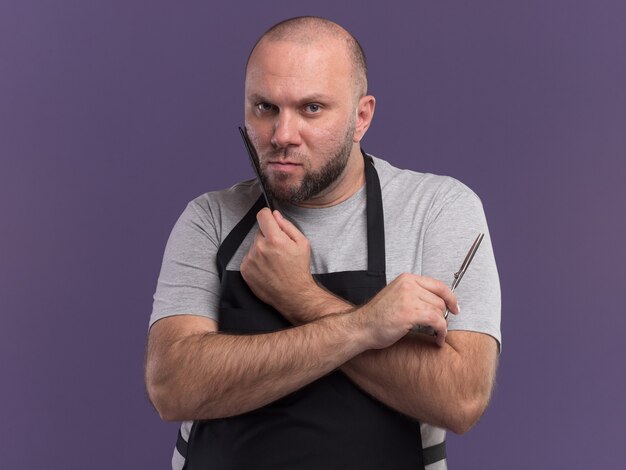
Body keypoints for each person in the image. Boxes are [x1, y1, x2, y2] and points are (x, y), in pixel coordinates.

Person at [145, 16, 501, 470]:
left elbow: (461, 398)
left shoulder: (436, 210)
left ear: (361, 117)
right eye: (264, 107)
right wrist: (364, 326)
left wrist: (301, 297)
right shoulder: (211, 218)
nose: (281, 135)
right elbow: (173, 387)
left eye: (311, 108)